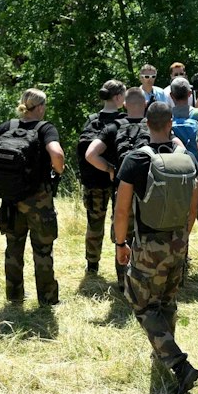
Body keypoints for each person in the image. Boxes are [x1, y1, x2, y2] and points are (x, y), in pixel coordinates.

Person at [114, 102, 198, 394]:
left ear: (146, 124)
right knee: (167, 300)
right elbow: (194, 206)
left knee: (141, 303)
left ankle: (178, 364)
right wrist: (183, 237)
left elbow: (122, 210)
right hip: (179, 241)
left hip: (148, 245)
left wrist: (120, 243)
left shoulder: (136, 159)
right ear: (170, 125)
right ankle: (163, 353)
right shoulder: (187, 159)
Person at [0, 89, 67, 305]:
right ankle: (47, 299)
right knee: (43, 249)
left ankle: (14, 295)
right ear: (40, 107)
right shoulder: (45, 128)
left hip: (10, 198)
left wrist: (0, 169)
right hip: (38, 198)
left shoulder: (8, 127)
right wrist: (59, 169)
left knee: (13, 248)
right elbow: (57, 154)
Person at [89, 87, 153, 293]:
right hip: (150, 191)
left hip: (122, 188)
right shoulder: (153, 124)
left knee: (122, 234)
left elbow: (91, 154)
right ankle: (145, 282)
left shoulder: (114, 126)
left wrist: (110, 168)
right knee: (148, 233)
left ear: (124, 104)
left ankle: (122, 282)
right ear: (145, 104)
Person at [75, 80, 127, 278]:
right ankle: (121, 266)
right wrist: (110, 168)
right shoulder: (123, 121)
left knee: (94, 223)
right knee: (120, 222)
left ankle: (92, 265)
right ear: (117, 97)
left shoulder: (91, 120)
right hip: (118, 181)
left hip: (93, 182)